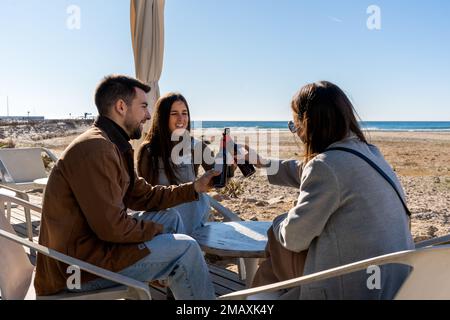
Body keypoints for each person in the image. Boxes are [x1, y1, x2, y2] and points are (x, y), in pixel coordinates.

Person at [34, 75, 219, 300]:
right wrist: (157, 232)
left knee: (171, 219)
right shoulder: (96, 149)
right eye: (143, 107)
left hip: (92, 249)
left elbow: (144, 195)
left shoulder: (112, 145)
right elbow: (113, 228)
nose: (149, 115)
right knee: (186, 248)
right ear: (121, 107)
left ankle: (179, 290)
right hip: (76, 271)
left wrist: (195, 187)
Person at [245, 81, 414, 300]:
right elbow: (303, 169)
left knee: (277, 241)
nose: (296, 133)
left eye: (294, 125)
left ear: (308, 123)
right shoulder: (370, 153)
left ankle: (253, 298)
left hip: (357, 286)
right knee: (276, 264)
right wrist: (261, 162)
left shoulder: (325, 166)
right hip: (396, 280)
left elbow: (295, 238)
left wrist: (277, 223)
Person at [137, 93, 216, 235]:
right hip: (167, 225)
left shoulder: (197, 146)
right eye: (174, 113)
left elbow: (218, 178)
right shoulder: (149, 150)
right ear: (163, 117)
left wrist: (230, 166)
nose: (181, 119)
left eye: (184, 113)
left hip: (195, 218)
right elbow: (145, 197)